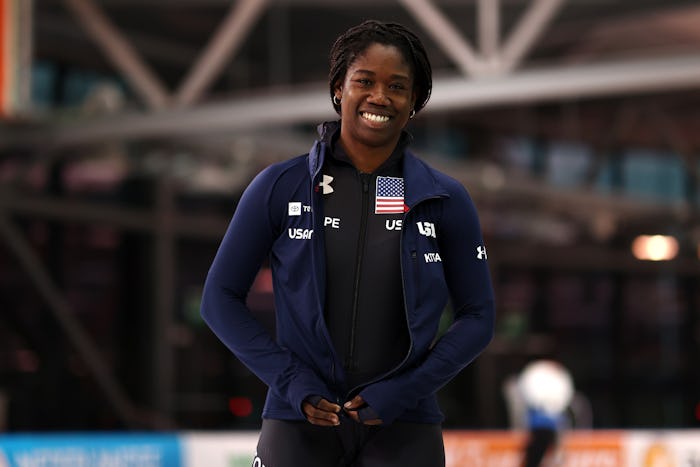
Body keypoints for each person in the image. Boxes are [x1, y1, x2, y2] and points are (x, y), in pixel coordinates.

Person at [201, 19, 495, 467]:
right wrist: (291, 382)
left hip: (404, 425)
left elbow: (479, 316)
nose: (380, 96)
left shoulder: (444, 199)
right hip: (298, 422)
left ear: (414, 100)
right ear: (339, 88)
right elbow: (218, 299)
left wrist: (404, 391)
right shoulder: (281, 186)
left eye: (397, 86)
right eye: (365, 81)